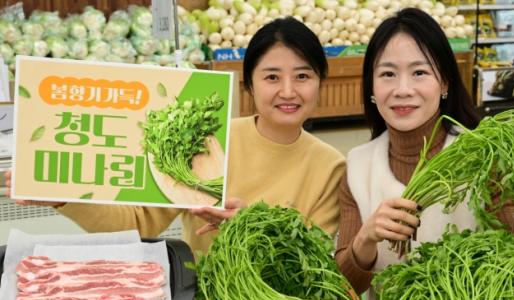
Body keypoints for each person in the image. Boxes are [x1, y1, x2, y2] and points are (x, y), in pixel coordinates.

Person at [6, 17, 345, 253]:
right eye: (272, 77)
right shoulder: (209, 139)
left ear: (320, 83)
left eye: (303, 76)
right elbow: (140, 225)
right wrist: (65, 197)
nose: (288, 91)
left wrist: (253, 224)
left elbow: (312, 262)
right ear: (249, 86)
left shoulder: (331, 166)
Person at [335, 8, 514, 300]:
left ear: (444, 83)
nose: (403, 90)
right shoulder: (357, 167)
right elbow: (344, 287)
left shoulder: (483, 156)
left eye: (419, 72)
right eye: (388, 74)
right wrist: (365, 239)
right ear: (372, 89)